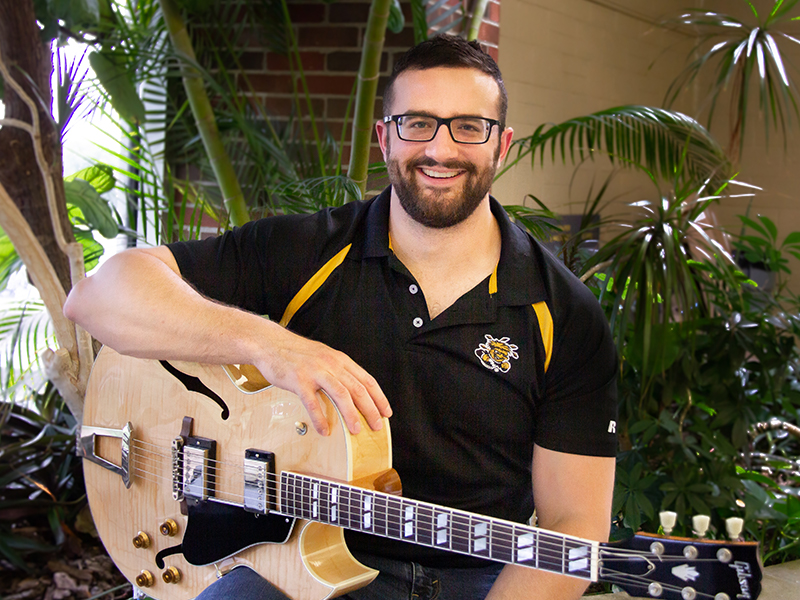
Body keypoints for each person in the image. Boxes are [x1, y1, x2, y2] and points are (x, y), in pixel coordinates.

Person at [64, 35, 617, 600]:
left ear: (501, 146)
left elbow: (574, 525)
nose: (440, 149)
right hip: (284, 554)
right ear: (384, 138)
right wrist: (272, 345)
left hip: (475, 576)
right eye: (417, 123)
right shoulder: (303, 250)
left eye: (468, 127)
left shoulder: (567, 316)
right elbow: (98, 296)